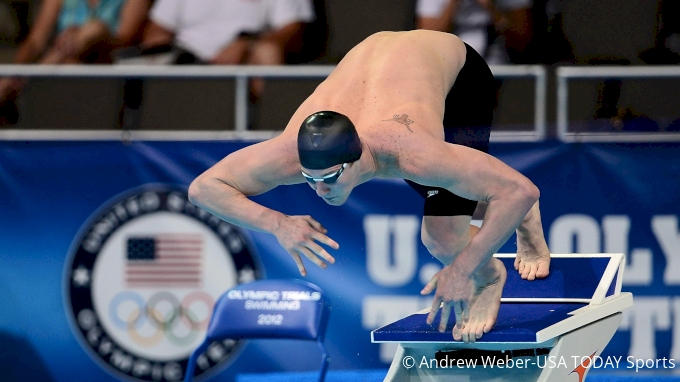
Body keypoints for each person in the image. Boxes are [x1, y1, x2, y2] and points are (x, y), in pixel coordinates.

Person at [189, 30, 551, 343]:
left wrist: (461, 270)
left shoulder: (411, 152)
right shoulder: (289, 151)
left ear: (358, 158)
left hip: (457, 76)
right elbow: (204, 188)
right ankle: (492, 191)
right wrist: (277, 223)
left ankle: (491, 276)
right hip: (379, 62)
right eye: (309, 179)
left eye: (330, 178)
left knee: (444, 239)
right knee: (457, 197)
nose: (320, 190)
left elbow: (522, 190)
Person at [0, 0, 151, 125]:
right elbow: (35, 43)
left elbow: (125, 41)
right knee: (71, 60)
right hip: (63, 68)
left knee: (95, 29)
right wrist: (17, 69)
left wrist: (80, 35)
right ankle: (23, 80)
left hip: (108, 71)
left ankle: (25, 83)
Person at [416, 0, 534, 64]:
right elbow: (426, 38)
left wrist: (491, 7)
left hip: (493, 65)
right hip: (451, 63)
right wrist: (453, 3)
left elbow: (521, 38)